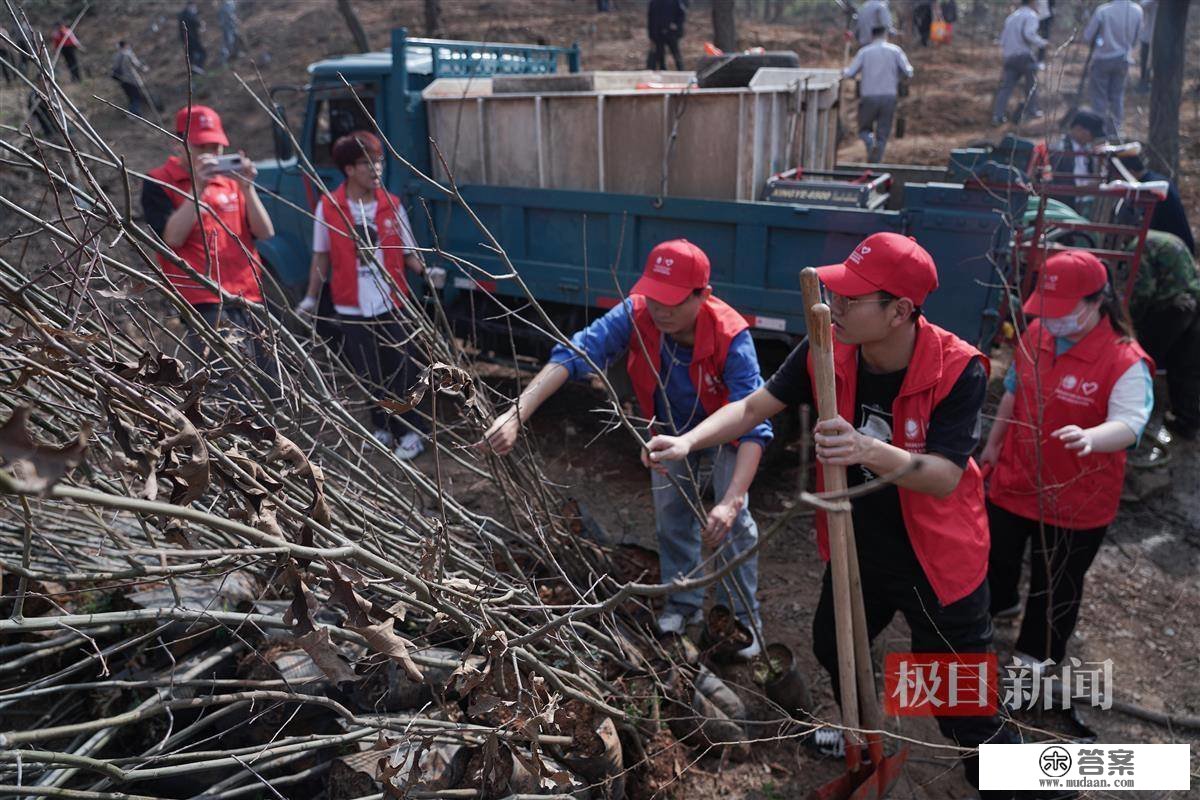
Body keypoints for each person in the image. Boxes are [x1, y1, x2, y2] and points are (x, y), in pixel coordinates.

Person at [647, 233, 1009, 790]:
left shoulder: (957, 369)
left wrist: (869, 449)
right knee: (832, 644)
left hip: (938, 560)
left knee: (961, 706)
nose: (833, 306)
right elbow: (753, 404)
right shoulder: (826, 346)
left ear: (900, 312)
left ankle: (1015, 777)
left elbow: (943, 477)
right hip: (860, 546)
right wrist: (688, 442)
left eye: (851, 299)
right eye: (836, 292)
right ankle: (864, 733)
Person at [481, 239, 772, 652]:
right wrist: (516, 413)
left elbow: (752, 424)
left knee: (733, 525)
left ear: (702, 295)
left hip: (725, 430)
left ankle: (740, 621)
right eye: (654, 297)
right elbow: (575, 352)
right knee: (671, 515)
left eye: (672, 301)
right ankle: (683, 601)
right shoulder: (636, 314)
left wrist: (732, 499)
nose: (660, 310)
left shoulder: (730, 336)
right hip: (668, 430)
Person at [983, 250, 1152, 672]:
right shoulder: (1036, 334)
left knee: (1056, 583)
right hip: (1015, 475)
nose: (1052, 320)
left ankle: (1035, 659)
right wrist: (993, 443)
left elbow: (1130, 424)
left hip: (1076, 496)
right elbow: (1012, 389)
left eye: (1063, 311)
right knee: (996, 554)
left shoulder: (1124, 361)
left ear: (1098, 302)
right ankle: (1000, 605)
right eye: (1047, 309)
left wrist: (1091, 437)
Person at [297, 131, 429, 460]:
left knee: (401, 370)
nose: (376, 169)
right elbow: (321, 257)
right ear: (348, 169)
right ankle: (382, 427)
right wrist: (311, 299)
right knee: (368, 371)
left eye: (379, 161)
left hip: (392, 302)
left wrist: (428, 271)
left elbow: (409, 252)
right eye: (366, 163)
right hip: (351, 305)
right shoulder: (329, 208)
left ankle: (410, 434)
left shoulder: (392, 205)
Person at [141, 106, 275, 382]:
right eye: (201, 146)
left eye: (216, 147)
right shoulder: (159, 181)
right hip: (203, 299)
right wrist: (197, 189)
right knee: (231, 385)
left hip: (248, 293)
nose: (210, 155)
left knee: (269, 380)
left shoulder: (231, 181)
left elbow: (265, 231)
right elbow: (172, 239)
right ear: (178, 143)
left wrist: (248, 188)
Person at [1128, 231, 1200, 441]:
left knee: (1141, 361)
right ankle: (1187, 422)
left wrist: (1130, 321)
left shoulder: (1137, 246)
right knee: (1187, 366)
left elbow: (1143, 291)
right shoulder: (1165, 238)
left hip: (1172, 308)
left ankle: (1132, 416)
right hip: (1194, 300)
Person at [844, 26, 913, 163]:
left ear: (872, 35)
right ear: (885, 35)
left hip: (868, 96)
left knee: (864, 130)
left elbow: (850, 73)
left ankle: (870, 143)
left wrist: (843, 71)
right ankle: (875, 163)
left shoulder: (865, 52)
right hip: (889, 96)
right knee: (883, 134)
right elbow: (908, 71)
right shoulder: (895, 51)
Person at [1082, 0, 1143, 137]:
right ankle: (1115, 132)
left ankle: (1098, 131)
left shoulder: (1103, 11)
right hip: (1123, 59)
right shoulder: (1137, 10)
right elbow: (1137, 37)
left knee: (1099, 97)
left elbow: (1088, 36)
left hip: (1102, 58)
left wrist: (1100, 43)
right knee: (1117, 97)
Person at [1118, 153, 1194, 254]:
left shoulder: (1150, 188)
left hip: (1172, 248)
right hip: (1170, 243)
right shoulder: (1153, 181)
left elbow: (1147, 223)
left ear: (1130, 172)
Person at [991, 0, 1047, 126]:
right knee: (1031, 85)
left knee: (1006, 88)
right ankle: (1031, 112)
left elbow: (1002, 40)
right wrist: (1043, 43)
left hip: (1009, 57)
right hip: (1024, 56)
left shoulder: (1012, 17)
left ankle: (998, 115)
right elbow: (1029, 34)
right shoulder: (1031, 16)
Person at [111, 40, 150, 116]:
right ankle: (135, 113)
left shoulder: (116, 56)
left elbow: (114, 68)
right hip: (131, 80)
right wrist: (144, 68)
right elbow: (136, 64)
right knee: (136, 96)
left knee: (130, 98)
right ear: (125, 45)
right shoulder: (128, 54)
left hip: (122, 81)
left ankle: (131, 113)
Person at [646, 0, 686, 71]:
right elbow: (650, 19)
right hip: (658, 33)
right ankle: (663, 70)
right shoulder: (654, 2)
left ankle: (681, 70)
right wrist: (651, 35)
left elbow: (681, 15)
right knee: (660, 54)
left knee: (676, 53)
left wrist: (676, 25)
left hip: (671, 33)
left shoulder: (675, 2)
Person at [178, 1, 207, 74]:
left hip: (186, 39)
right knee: (202, 52)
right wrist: (200, 24)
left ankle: (193, 71)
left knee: (191, 55)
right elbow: (194, 23)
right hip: (191, 39)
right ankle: (198, 67)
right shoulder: (187, 15)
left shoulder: (183, 15)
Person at [1137, 0, 1156, 91]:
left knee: (1155, 61)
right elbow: (1142, 5)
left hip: (1160, 38)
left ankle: (1151, 81)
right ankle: (1143, 81)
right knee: (1144, 61)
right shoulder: (1150, 2)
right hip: (1147, 36)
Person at [218, 0, 240, 64]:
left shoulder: (231, 3)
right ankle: (224, 59)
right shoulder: (225, 6)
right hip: (227, 28)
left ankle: (236, 54)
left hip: (232, 26)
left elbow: (232, 14)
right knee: (229, 41)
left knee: (235, 38)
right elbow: (227, 16)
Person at [1033, 0, 1054, 65]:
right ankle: (1032, 57)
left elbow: (1052, 5)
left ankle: (1040, 60)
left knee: (1044, 39)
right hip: (1034, 18)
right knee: (1033, 38)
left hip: (1045, 18)